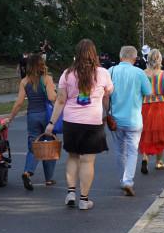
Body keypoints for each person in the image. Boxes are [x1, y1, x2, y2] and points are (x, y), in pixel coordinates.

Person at [45, 38, 113, 210]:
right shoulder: (102, 73)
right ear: (93, 54)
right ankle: (84, 200)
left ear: (77, 54)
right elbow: (108, 93)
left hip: (71, 122)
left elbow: (60, 100)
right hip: (92, 122)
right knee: (87, 161)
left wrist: (51, 123)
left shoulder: (67, 74)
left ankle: (70, 192)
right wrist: (108, 113)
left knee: (73, 157)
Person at [4, 52, 57, 190]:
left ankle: (27, 172)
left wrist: (10, 118)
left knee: (34, 146)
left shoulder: (24, 81)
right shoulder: (47, 79)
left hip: (32, 116)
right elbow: (52, 97)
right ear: (41, 65)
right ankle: (49, 179)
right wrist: (56, 92)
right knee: (49, 145)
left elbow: (19, 103)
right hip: (47, 116)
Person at [108, 45, 152, 196]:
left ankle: (123, 180)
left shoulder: (111, 71)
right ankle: (128, 181)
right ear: (134, 59)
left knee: (120, 151)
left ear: (120, 57)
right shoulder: (139, 73)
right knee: (133, 151)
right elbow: (148, 92)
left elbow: (105, 93)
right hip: (133, 119)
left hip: (115, 119)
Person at [139, 49, 164, 174]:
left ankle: (145, 157)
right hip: (160, 105)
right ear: (160, 60)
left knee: (146, 134)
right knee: (160, 135)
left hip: (145, 105)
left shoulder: (142, 74)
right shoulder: (163, 75)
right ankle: (159, 162)